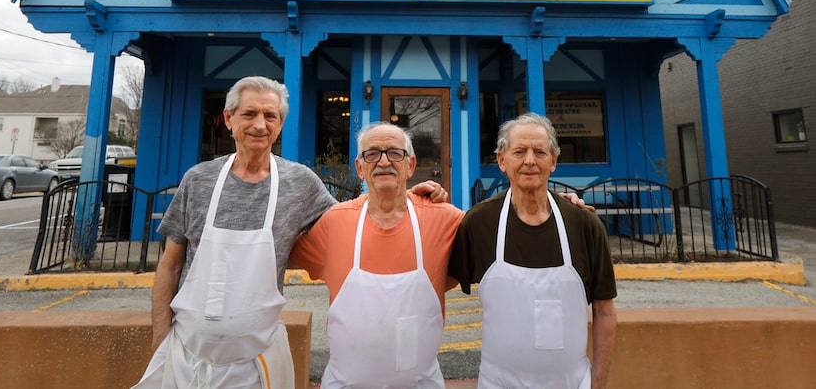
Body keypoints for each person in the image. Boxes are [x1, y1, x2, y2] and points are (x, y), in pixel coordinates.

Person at [134, 77, 446, 388]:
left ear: (280, 123)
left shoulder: (300, 183)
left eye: (270, 116)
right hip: (185, 356)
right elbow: (170, 266)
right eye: (249, 114)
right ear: (229, 119)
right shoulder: (198, 180)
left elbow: (353, 220)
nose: (260, 124)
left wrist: (401, 194)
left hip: (259, 363)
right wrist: (160, 342)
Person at [290, 121, 465, 388]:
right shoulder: (333, 223)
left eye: (395, 153)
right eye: (372, 154)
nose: (384, 161)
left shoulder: (445, 219)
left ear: (411, 165)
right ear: (360, 168)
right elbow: (279, 251)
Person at [448, 113, 617, 389]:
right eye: (519, 151)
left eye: (540, 151)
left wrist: (597, 383)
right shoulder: (479, 223)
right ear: (501, 160)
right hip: (497, 383)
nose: (529, 160)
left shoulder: (584, 224)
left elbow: (605, 312)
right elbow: (434, 285)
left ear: (553, 161)